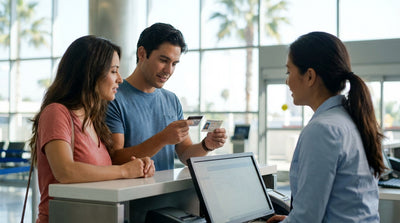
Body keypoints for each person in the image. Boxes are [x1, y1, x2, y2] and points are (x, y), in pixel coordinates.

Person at [29, 35, 155, 223]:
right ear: (90, 73)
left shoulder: (93, 121)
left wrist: (137, 167)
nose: (119, 79)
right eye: (113, 71)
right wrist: (124, 171)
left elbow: (96, 175)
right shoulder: (57, 113)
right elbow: (65, 172)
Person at [267, 32, 385, 223]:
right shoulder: (353, 119)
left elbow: (307, 219)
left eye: (289, 72)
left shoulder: (322, 130)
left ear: (310, 76)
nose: (287, 81)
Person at [106, 23, 227, 170]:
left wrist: (206, 145)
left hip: (167, 192)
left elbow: (184, 154)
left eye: (174, 63)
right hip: (133, 192)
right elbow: (115, 158)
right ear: (142, 54)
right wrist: (162, 138)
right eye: (163, 60)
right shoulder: (113, 98)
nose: (168, 70)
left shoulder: (172, 100)